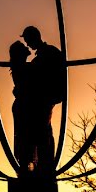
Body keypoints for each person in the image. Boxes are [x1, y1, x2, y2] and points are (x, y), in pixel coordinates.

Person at [19, 25, 66, 179]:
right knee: (43, 130)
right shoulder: (45, 55)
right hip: (46, 97)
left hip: (45, 98)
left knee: (42, 131)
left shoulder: (48, 54)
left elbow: (43, 76)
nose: (27, 44)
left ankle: (44, 167)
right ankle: (43, 167)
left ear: (34, 38)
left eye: (27, 40)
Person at [8, 40, 35, 175]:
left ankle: (26, 166)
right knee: (26, 137)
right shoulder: (24, 68)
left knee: (24, 137)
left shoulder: (21, 67)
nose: (27, 47)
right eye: (24, 48)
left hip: (23, 106)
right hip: (25, 107)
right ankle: (26, 167)